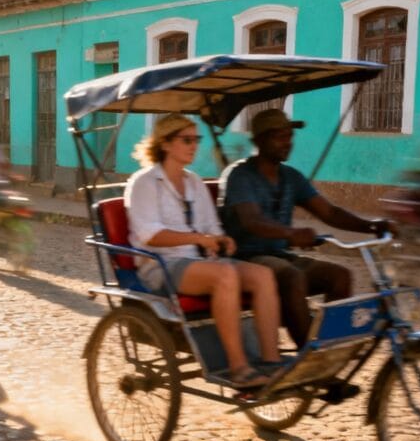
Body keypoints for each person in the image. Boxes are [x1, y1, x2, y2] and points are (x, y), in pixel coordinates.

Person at [125, 113, 284, 390]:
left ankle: (271, 361)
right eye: (186, 140)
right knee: (225, 276)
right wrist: (199, 238)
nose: (194, 145)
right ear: (165, 143)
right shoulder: (144, 183)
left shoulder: (194, 182)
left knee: (263, 275)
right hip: (162, 265)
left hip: (201, 261)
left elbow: (211, 225)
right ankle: (239, 367)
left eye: (196, 139)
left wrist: (221, 239)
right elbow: (150, 234)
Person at [219, 107, 392, 348]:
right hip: (246, 258)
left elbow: (329, 212)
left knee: (340, 276)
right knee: (293, 276)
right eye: (279, 136)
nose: (287, 142)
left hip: (280, 255)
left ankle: (330, 342)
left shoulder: (291, 177)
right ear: (259, 141)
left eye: (289, 136)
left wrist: (372, 226)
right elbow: (252, 220)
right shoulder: (241, 176)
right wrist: (291, 233)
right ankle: (308, 351)